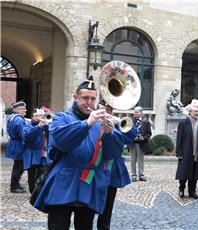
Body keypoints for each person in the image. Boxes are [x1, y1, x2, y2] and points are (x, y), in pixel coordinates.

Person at [33, 77, 126, 229]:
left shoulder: (101, 123)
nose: (89, 102)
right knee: (58, 226)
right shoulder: (62, 118)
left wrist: (110, 133)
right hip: (64, 182)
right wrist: (87, 123)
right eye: (85, 98)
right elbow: (61, 141)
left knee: (85, 226)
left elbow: (113, 154)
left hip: (88, 183)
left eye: (93, 98)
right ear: (75, 98)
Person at [96, 100, 138, 230]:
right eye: (102, 108)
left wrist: (115, 121)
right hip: (94, 169)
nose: (105, 111)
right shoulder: (92, 121)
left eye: (108, 108)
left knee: (107, 206)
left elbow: (131, 136)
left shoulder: (116, 122)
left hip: (111, 170)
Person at [175, 105, 198, 199]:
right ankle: (181, 189)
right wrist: (179, 152)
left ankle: (192, 191)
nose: (197, 113)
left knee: (194, 173)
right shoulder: (183, 122)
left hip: (197, 152)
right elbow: (179, 138)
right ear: (190, 112)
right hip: (186, 152)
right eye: (195, 111)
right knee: (184, 172)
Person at [22, 109, 50, 194]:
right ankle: (32, 192)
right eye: (36, 116)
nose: (38, 117)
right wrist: (38, 127)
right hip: (32, 154)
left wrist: (46, 126)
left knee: (43, 174)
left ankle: (40, 192)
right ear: (32, 117)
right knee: (32, 175)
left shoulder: (44, 126)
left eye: (40, 116)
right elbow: (28, 136)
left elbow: (51, 136)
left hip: (43, 154)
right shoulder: (27, 126)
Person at [6, 101, 27, 193]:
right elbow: (24, 134)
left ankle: (15, 184)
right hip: (19, 145)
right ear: (18, 110)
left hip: (14, 143)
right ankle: (14, 186)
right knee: (19, 166)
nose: (26, 110)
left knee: (18, 166)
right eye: (24, 108)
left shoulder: (12, 117)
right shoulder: (19, 119)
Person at [129, 106, 152, 182]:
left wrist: (144, 138)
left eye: (137, 112)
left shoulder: (146, 122)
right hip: (133, 143)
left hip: (141, 143)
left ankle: (141, 175)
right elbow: (127, 131)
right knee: (132, 160)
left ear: (141, 113)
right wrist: (132, 137)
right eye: (134, 112)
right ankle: (133, 175)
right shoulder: (131, 121)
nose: (135, 113)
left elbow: (149, 133)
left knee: (140, 160)